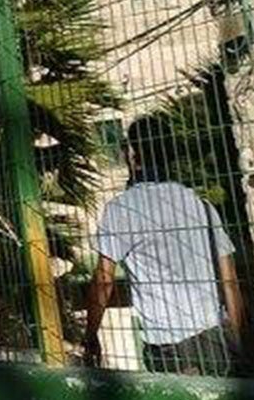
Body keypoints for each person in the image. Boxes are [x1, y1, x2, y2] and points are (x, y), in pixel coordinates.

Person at [81, 117, 244, 376]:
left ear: (132, 154)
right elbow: (230, 280)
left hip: (169, 346)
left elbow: (103, 278)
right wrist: (235, 340)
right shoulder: (202, 206)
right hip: (216, 336)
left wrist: (90, 335)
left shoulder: (122, 209)